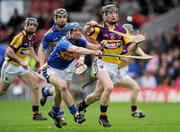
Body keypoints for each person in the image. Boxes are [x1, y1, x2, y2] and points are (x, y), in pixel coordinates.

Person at [76, 4, 145, 128]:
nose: (113, 15)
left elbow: (130, 48)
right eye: (110, 13)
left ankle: (81, 106)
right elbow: (86, 31)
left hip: (114, 65)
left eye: (115, 13)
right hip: (101, 63)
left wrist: (137, 43)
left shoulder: (123, 31)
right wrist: (90, 24)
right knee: (109, 87)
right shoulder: (100, 29)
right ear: (104, 15)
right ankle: (103, 117)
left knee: (97, 95)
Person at [41, 22, 102, 128]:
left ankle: (53, 111)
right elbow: (77, 50)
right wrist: (93, 52)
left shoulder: (79, 40)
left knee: (59, 93)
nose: (78, 33)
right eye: (75, 31)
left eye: (79, 30)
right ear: (69, 33)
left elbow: (92, 46)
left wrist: (101, 46)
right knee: (63, 86)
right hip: (51, 70)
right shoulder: (63, 42)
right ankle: (76, 114)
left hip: (65, 70)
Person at [0, 17, 47, 120]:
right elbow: (8, 51)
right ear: (25, 26)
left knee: (35, 87)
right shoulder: (19, 37)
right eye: (29, 24)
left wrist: (38, 60)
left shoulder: (32, 37)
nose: (32, 26)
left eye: (34, 25)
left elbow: (29, 48)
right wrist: (21, 61)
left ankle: (36, 114)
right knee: (2, 91)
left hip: (20, 67)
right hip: (10, 66)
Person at [38, 8, 70, 125]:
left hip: (69, 64)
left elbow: (82, 43)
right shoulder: (49, 34)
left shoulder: (71, 29)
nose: (62, 19)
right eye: (59, 17)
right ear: (54, 19)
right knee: (62, 89)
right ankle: (60, 115)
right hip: (55, 65)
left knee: (64, 89)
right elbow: (42, 50)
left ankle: (46, 92)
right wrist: (41, 65)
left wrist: (81, 59)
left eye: (64, 17)